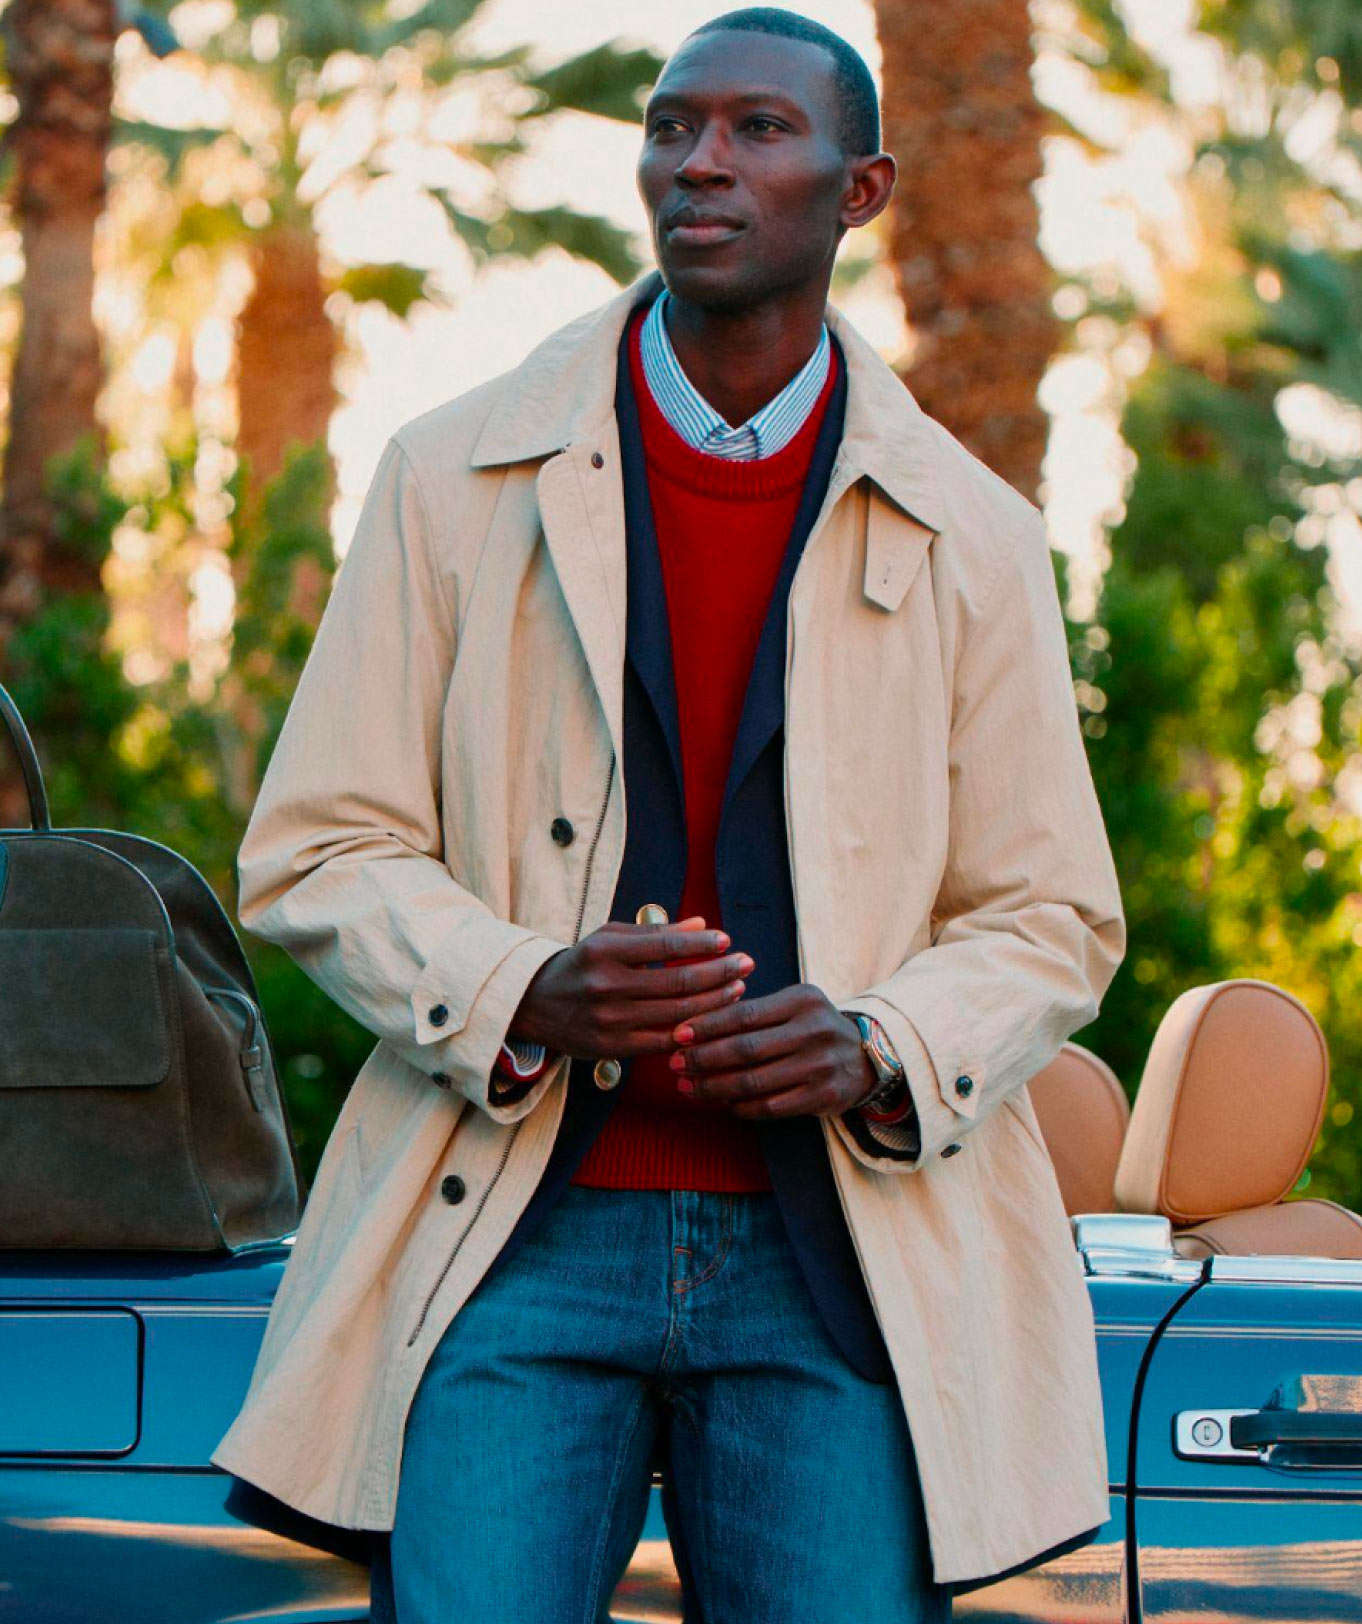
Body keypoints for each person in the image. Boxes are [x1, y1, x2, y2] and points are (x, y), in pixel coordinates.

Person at [211, 9, 1127, 1620]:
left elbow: (1049, 913)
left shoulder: (973, 534)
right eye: (669, 126)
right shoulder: (450, 477)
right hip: (506, 1241)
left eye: (757, 129)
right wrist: (521, 987)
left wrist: (880, 1045)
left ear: (860, 189)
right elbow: (319, 845)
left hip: (836, 1267)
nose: (699, 162)